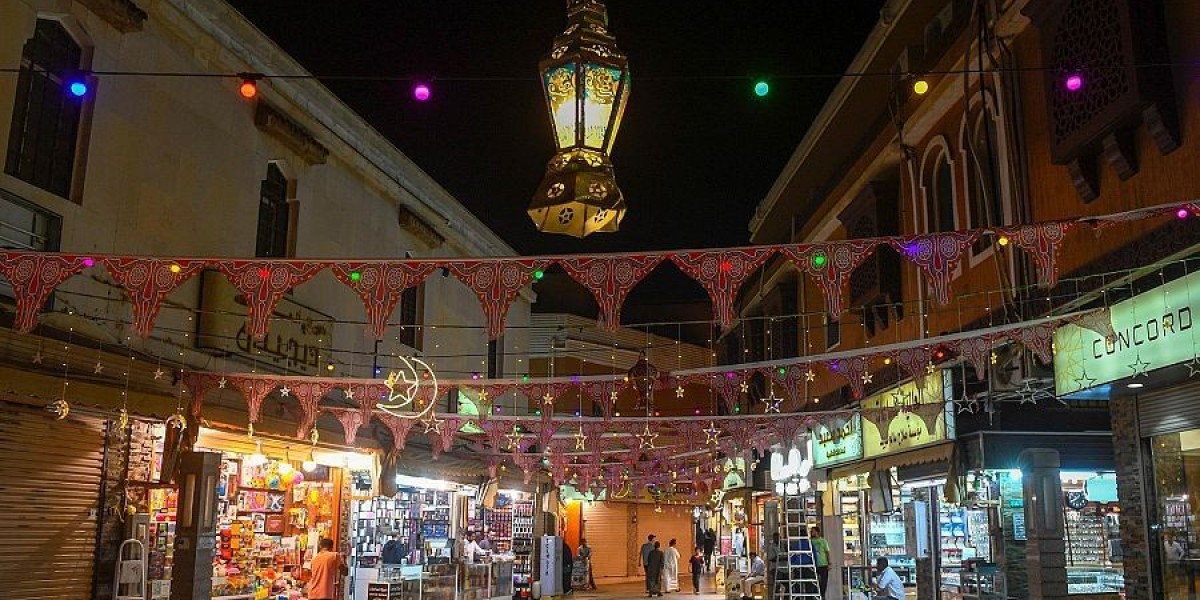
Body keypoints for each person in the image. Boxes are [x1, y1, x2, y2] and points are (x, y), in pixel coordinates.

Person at [810, 526, 831, 596]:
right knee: (814, 581)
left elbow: (827, 552)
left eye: (813, 531)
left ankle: (822, 595)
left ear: (817, 532)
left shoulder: (823, 541)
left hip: (823, 564)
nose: (811, 532)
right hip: (813, 564)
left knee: (824, 582)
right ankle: (815, 595)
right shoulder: (810, 541)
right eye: (811, 531)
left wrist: (829, 563)